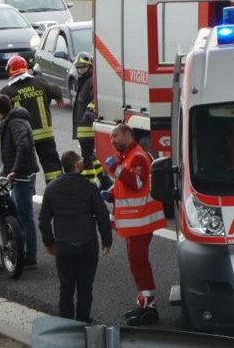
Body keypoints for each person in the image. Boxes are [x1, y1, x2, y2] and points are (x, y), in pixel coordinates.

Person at [102, 124, 167, 326]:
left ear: (128, 134)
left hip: (139, 221)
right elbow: (128, 184)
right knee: (136, 263)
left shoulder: (137, 156)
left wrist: (115, 168)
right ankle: (144, 303)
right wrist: (111, 192)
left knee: (139, 263)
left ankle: (149, 307)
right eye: (111, 137)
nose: (112, 140)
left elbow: (137, 183)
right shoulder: (129, 156)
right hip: (134, 222)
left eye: (116, 136)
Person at [39, 150, 113, 323]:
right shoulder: (89, 187)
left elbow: (43, 219)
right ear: (77, 166)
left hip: (63, 244)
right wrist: (106, 240)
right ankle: (83, 320)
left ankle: (66, 322)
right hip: (87, 242)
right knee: (85, 286)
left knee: (66, 286)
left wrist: (49, 242)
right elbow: (102, 215)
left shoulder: (51, 188)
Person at [0, 55, 65, 183]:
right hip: (44, 134)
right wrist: (59, 98)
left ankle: (26, 193)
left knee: (25, 166)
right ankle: (57, 189)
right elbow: (55, 89)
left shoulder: (7, 91)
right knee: (52, 165)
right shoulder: (39, 82)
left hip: (23, 136)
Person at [0, 94, 41, 267]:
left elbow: (23, 145)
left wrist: (14, 170)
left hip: (21, 176)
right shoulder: (13, 119)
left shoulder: (14, 123)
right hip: (19, 175)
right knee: (17, 212)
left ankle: (30, 255)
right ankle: (21, 248)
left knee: (25, 216)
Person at [71, 52, 110, 190]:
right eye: (79, 68)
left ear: (91, 67)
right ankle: (104, 180)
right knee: (92, 156)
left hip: (87, 128)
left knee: (87, 160)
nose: (81, 70)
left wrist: (89, 111)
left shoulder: (91, 81)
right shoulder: (84, 81)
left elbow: (95, 99)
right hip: (83, 128)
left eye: (83, 67)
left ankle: (90, 187)